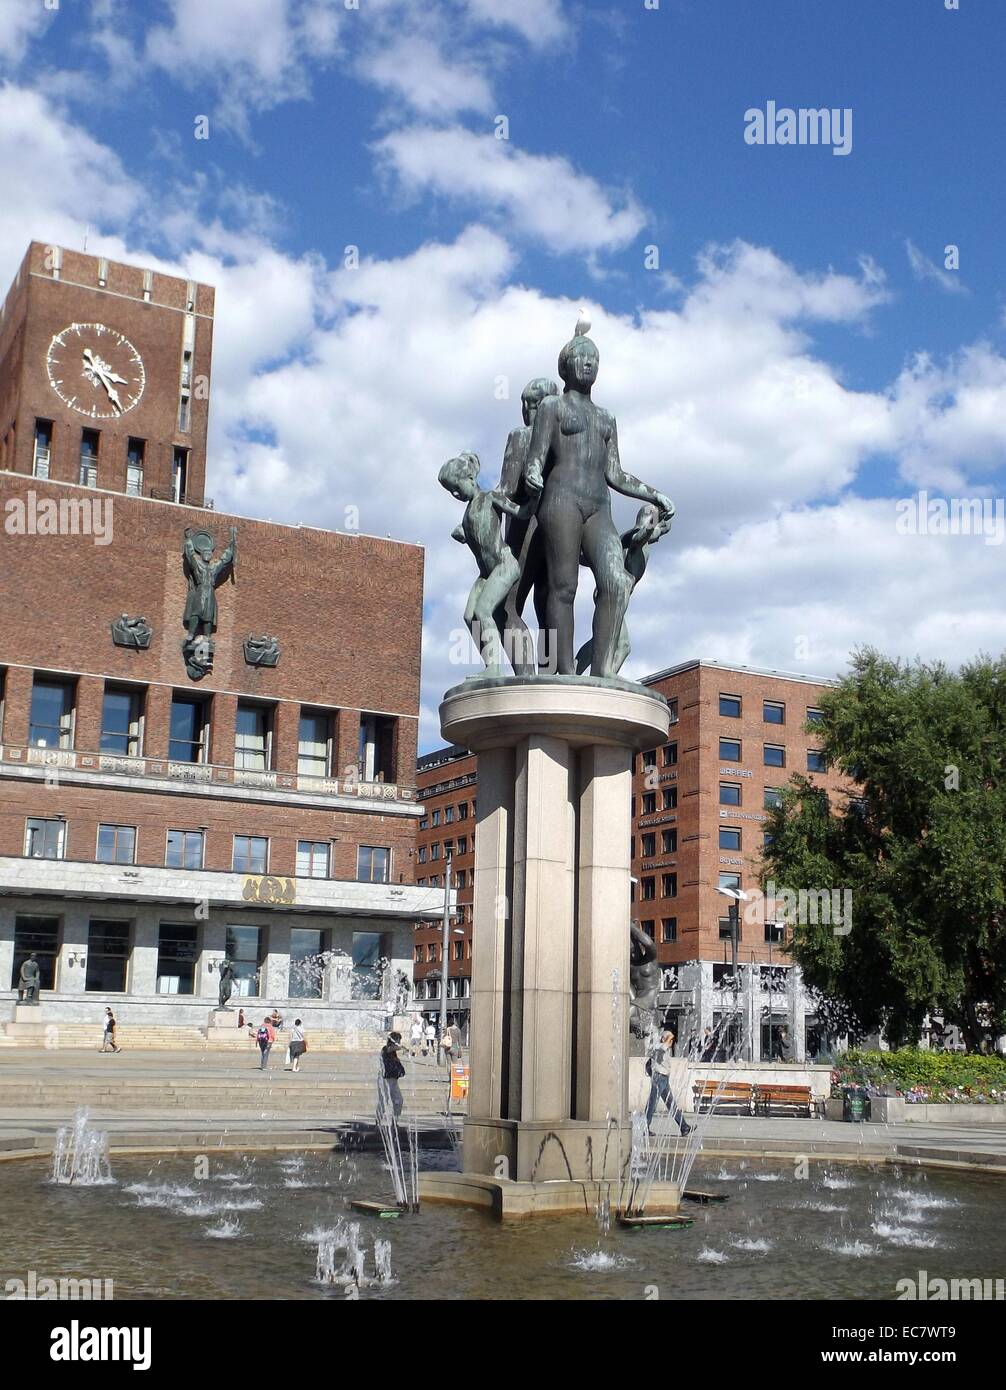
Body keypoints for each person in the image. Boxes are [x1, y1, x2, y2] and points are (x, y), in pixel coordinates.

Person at [645, 1029, 690, 1136]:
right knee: (652, 1103)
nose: (671, 1042)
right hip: (659, 1078)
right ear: (664, 1039)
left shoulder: (664, 1049)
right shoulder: (659, 1047)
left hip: (664, 1079)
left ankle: (684, 1127)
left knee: (671, 1104)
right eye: (670, 1040)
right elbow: (666, 1043)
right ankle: (644, 1127)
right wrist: (670, 1036)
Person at [381, 1031, 406, 1119]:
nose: (400, 1042)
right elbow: (390, 1048)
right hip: (386, 1080)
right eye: (399, 1040)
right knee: (384, 1101)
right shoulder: (386, 1049)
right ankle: (378, 1122)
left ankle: (394, 1122)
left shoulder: (392, 1052)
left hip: (393, 1080)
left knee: (399, 1101)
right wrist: (402, 1047)